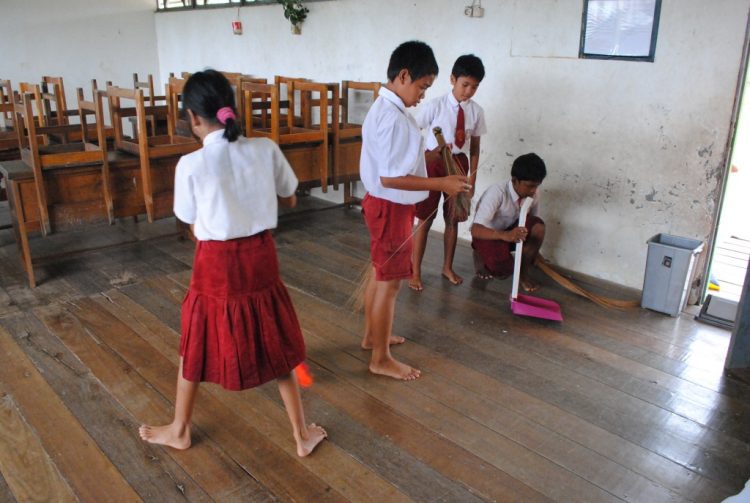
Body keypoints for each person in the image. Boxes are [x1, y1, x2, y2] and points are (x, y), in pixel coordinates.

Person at [139, 70, 326, 457]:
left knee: (194, 345)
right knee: (276, 344)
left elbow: (190, 222)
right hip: (261, 258)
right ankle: (301, 435)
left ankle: (180, 429)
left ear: (192, 117)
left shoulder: (190, 164)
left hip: (215, 265)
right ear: (232, 108)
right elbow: (290, 198)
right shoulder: (265, 147)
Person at [359, 41, 470, 380]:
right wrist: (441, 185)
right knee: (390, 284)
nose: (422, 95)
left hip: (386, 205)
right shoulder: (391, 118)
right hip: (389, 206)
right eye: (422, 86)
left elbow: (397, 162)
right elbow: (391, 177)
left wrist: (433, 161)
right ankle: (380, 358)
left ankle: (372, 336)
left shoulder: (389, 110)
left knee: (382, 276)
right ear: (404, 75)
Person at [411, 54, 486, 291]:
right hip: (433, 164)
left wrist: (472, 175)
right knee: (425, 218)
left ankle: (447, 266)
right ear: (452, 79)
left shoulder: (476, 111)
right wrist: (420, 160)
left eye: (474, 87)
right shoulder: (434, 106)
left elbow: (474, 146)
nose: (469, 91)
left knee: (453, 217)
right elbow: (413, 132)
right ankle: (415, 272)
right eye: (465, 85)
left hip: (460, 164)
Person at [470, 153, 547, 292]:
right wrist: (504, 235)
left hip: (510, 232)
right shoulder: (497, 192)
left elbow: (534, 223)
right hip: (488, 234)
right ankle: (478, 251)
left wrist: (534, 250)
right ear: (514, 180)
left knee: (539, 228)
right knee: (503, 271)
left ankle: (523, 275)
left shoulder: (534, 193)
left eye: (536, 186)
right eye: (529, 186)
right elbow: (475, 230)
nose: (533, 190)